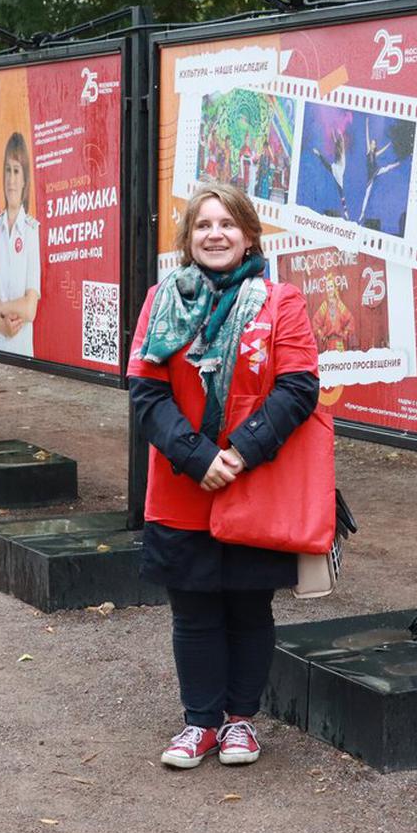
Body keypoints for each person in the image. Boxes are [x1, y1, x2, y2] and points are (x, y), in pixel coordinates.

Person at [128, 181, 322, 769]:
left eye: (227, 224)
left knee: (247, 607)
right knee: (192, 609)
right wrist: (196, 456)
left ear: (248, 235)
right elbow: (146, 392)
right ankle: (200, 723)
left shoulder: (280, 301)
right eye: (203, 225)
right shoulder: (162, 299)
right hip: (182, 486)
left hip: (252, 484)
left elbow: (298, 387)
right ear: (187, 239)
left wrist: (237, 452)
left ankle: (241, 723)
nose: (215, 234)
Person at [0, 132, 40, 356]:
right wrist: (1, 326)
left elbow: (30, 308)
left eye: (17, 171)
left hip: (23, 351)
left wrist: (1, 308)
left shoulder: (31, 230)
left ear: (25, 179)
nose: (11, 179)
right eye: (8, 170)